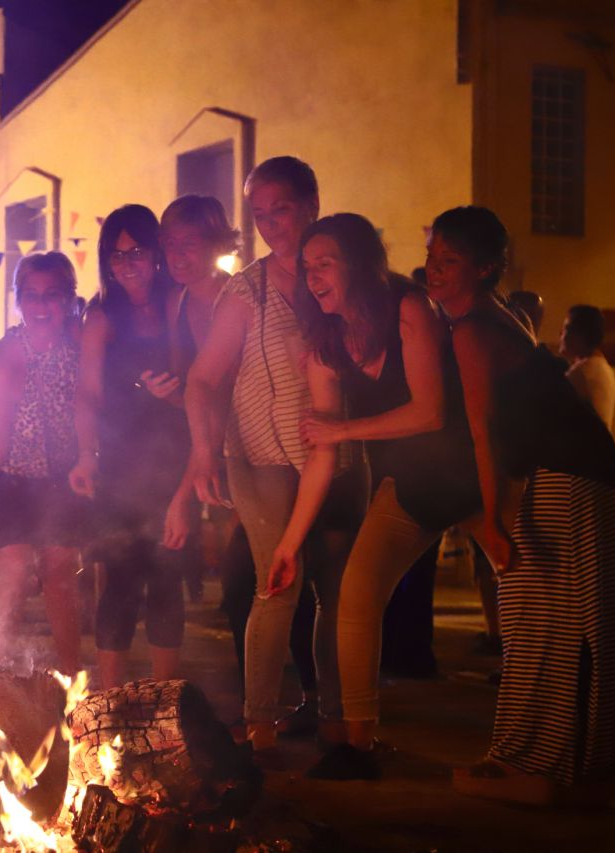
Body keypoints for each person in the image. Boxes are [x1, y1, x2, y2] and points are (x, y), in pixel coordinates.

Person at [426, 206, 615, 806]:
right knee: (574, 618)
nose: (436, 271)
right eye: (434, 257)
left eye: (451, 261)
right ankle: (582, 764)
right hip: (582, 467)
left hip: (563, 474)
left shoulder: (472, 330)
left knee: (540, 621)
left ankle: (535, 761)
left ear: (485, 268)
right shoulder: (501, 317)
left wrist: (489, 520)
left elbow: (485, 429)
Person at [293, 213, 483, 779]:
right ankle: (358, 744)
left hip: (473, 475)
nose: (313, 277)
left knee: (528, 599)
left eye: (324, 263)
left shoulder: (408, 307)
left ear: (358, 262)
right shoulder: (326, 341)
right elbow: (320, 446)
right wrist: (290, 541)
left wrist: (344, 431)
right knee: (356, 595)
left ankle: (550, 736)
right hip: (407, 486)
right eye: (306, 268)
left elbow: (431, 411)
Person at [185, 159, 365, 755]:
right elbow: (203, 378)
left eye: (280, 209)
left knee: (340, 591)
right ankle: (258, 726)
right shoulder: (247, 290)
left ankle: (336, 719)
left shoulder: (344, 280)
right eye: (259, 215)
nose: (269, 225)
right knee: (277, 583)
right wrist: (204, 450)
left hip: (337, 453)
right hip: (261, 459)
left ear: (311, 202)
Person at [71, 204, 192, 689]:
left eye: (136, 251)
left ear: (156, 253)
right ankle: (111, 701)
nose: (126, 263)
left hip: (174, 458)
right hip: (120, 463)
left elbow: (200, 385)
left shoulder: (178, 303)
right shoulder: (101, 315)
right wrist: (85, 453)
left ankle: (166, 701)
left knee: (166, 576)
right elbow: (88, 392)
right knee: (119, 578)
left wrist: (176, 396)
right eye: (115, 255)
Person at [0, 252, 86, 674]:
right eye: (31, 296)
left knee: (60, 571)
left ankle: (73, 678)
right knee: (13, 569)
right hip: (6, 479)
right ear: (18, 301)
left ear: (68, 298)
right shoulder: (4, 357)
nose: (42, 306)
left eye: (52, 295)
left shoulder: (80, 346)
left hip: (61, 479)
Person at [158, 194, 239, 604]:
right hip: (206, 436)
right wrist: (166, 392)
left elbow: (220, 396)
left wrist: (182, 494)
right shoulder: (177, 302)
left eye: (188, 243)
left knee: (246, 555)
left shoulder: (237, 297)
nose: (177, 254)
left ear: (216, 244)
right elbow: (190, 384)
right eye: (170, 243)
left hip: (251, 439)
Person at [560, 305, 615, 428]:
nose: (562, 336)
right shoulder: (605, 367)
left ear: (581, 334)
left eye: (567, 329)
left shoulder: (581, 373)